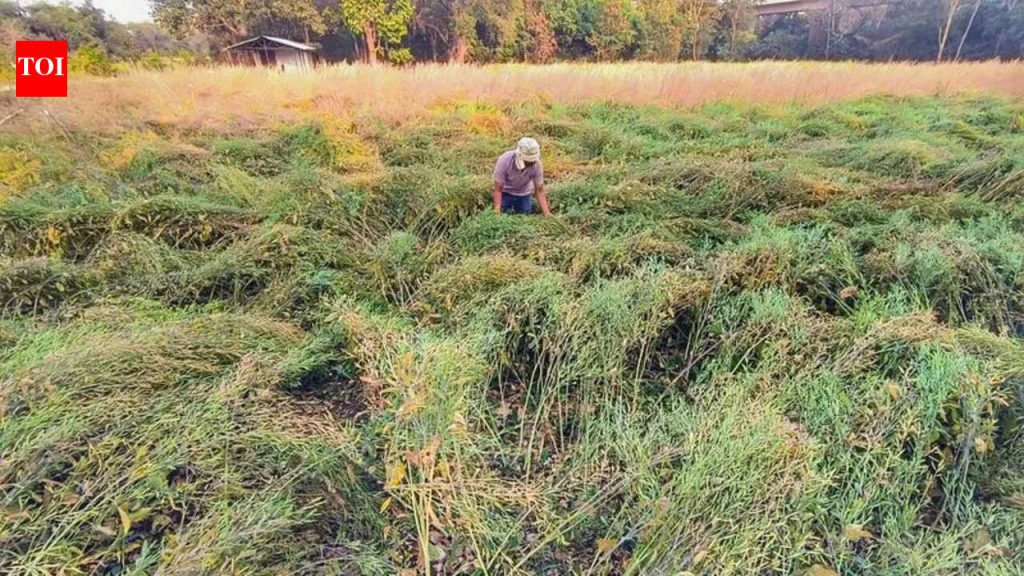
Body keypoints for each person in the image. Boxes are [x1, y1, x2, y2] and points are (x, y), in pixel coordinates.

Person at [492, 137, 551, 216]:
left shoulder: (536, 165)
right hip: (505, 192)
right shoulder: (505, 160)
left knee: (525, 217)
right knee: (504, 215)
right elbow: (498, 189)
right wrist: (497, 212)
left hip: (524, 194)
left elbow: (539, 190)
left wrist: (546, 213)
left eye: (531, 162)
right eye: (527, 162)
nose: (530, 164)